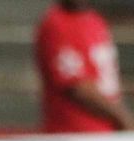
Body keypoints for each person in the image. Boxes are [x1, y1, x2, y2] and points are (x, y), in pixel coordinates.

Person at [35, 0, 134, 133]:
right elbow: (77, 86)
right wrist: (123, 118)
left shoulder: (95, 20)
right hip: (74, 134)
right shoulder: (56, 24)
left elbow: (107, 79)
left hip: (106, 132)